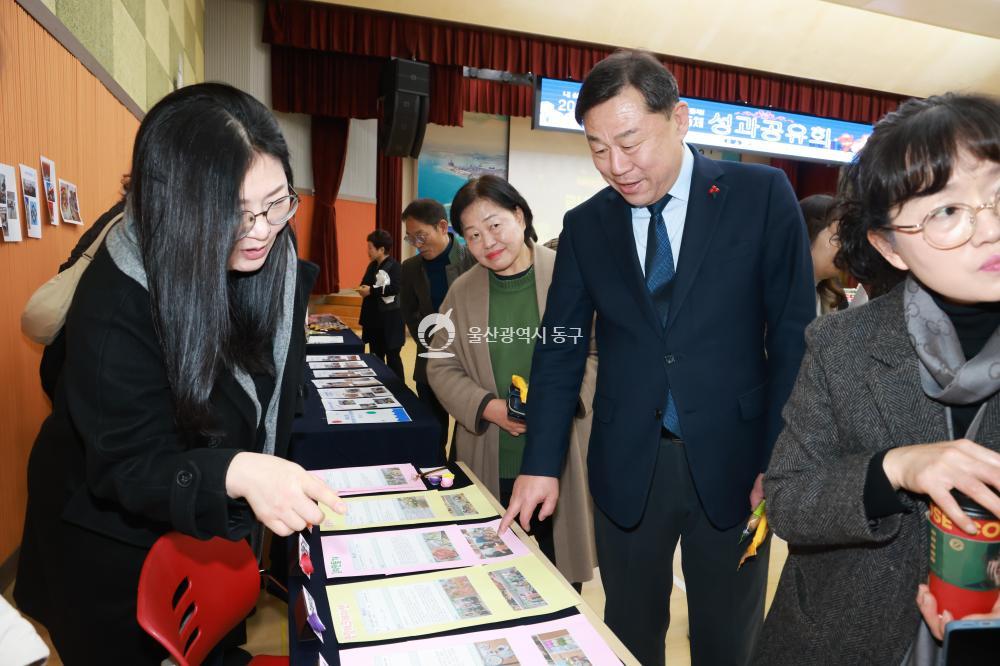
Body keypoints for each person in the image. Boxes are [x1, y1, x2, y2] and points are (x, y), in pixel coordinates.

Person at [501, 50, 814, 666]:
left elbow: (794, 336)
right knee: (629, 634)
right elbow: (560, 348)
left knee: (728, 640)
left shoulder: (760, 195)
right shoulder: (587, 225)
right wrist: (541, 462)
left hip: (736, 463)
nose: (616, 167)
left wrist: (782, 461)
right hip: (627, 463)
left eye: (630, 141)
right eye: (596, 149)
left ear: (681, 118)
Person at [14, 82, 346, 664]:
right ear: (178, 207)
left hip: (208, 520)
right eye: (235, 214)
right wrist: (235, 470)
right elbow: (125, 463)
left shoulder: (273, 249)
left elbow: (272, 382)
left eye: (276, 201)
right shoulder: (120, 299)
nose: (264, 228)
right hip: (109, 539)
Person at [755, 92, 1000, 664]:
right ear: (890, 246)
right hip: (842, 635)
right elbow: (788, 499)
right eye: (946, 211)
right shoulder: (842, 344)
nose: (989, 230)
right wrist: (895, 468)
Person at [427, 175, 597, 587]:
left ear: (519, 216)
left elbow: (597, 353)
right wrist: (488, 407)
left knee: (562, 583)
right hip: (491, 454)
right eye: (473, 234)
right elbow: (440, 365)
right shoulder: (461, 293)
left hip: (559, 455)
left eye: (495, 224)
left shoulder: (569, 277)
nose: (487, 241)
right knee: (492, 578)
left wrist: (560, 402)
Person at [399, 198, 476, 459]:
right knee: (433, 430)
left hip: (472, 363)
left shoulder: (472, 260)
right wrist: (430, 343)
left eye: (421, 235)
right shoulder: (410, 268)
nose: (417, 245)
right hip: (431, 361)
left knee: (470, 430)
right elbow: (408, 310)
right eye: (411, 239)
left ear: (442, 226)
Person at [358, 229, 404, 377]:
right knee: (375, 358)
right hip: (374, 320)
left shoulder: (395, 266)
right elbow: (365, 283)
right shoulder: (372, 266)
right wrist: (364, 289)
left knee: (392, 358)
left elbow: (395, 288)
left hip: (390, 320)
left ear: (382, 249)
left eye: (370, 248)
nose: (368, 251)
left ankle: (400, 391)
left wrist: (371, 291)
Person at [801, 193, 848, 315]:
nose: (846, 249)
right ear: (807, 235)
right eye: (838, 238)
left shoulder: (834, 300)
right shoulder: (772, 295)